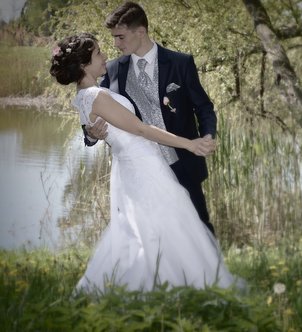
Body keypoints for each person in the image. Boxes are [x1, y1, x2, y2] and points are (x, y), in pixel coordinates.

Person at [49, 33, 242, 292]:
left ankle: (166, 282)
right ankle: (170, 284)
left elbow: (101, 127)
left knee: (148, 226)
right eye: (98, 54)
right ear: (84, 64)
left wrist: (91, 132)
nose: (106, 55)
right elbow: (140, 129)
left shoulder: (86, 95)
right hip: (142, 167)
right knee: (164, 222)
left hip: (135, 166)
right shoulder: (96, 96)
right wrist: (190, 143)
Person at [83, 1, 217, 235]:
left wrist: (206, 136)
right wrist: (90, 134)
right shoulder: (113, 70)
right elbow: (95, 111)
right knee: (147, 235)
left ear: (141, 32)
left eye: (120, 37)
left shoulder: (180, 63)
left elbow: (204, 107)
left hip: (183, 160)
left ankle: (211, 272)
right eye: (114, 37)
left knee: (199, 229)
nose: (115, 43)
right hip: (142, 170)